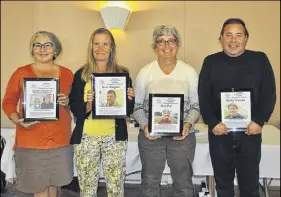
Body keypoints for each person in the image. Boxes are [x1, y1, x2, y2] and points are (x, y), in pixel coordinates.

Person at [198, 18, 276, 197]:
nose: (233, 40)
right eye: (228, 35)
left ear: (246, 38)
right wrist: (212, 122)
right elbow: (204, 96)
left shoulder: (260, 59)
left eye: (238, 35)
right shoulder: (210, 62)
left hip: (250, 134)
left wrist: (259, 121)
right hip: (219, 134)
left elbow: (269, 94)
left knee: (249, 187)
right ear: (221, 38)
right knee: (223, 186)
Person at [2, 31, 73, 197]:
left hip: (61, 141)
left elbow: (71, 105)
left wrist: (67, 102)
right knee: (39, 190)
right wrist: (17, 119)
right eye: (37, 45)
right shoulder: (21, 73)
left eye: (47, 44)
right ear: (32, 49)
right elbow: (8, 101)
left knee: (55, 187)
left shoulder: (68, 74)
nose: (42, 49)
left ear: (56, 49)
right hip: (31, 141)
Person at [133, 25, 200, 197]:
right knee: (149, 183)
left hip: (182, 137)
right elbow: (137, 107)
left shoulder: (189, 72)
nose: (166, 46)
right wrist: (146, 126)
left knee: (183, 183)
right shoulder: (145, 72)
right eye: (161, 41)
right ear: (154, 47)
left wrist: (187, 124)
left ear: (178, 44)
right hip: (151, 137)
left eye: (171, 41)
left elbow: (196, 106)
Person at [69, 28, 135, 197]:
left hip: (114, 138)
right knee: (87, 189)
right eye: (96, 44)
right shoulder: (81, 75)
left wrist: (129, 98)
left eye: (105, 44)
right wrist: (89, 104)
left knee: (115, 188)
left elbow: (128, 110)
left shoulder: (122, 74)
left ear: (112, 47)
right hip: (86, 139)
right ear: (91, 47)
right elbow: (74, 105)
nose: (100, 48)